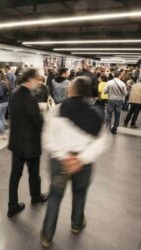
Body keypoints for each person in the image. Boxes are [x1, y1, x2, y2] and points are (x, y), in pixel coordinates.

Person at [40, 76, 109, 248]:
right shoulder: (97, 114)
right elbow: (102, 141)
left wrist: (65, 156)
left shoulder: (56, 110)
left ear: (71, 90)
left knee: (55, 197)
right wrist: (80, 159)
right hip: (83, 166)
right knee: (80, 194)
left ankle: (47, 236)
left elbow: (47, 139)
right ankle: (77, 224)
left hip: (59, 163)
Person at [7, 68, 48, 218]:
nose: (39, 83)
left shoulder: (15, 94)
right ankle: (36, 197)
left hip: (16, 142)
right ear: (30, 79)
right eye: (37, 80)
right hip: (30, 143)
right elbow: (37, 121)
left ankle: (12, 206)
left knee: (15, 176)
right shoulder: (29, 98)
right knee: (34, 174)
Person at [104, 69, 127, 134]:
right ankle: (114, 129)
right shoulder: (122, 83)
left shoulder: (109, 82)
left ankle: (108, 128)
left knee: (108, 114)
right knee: (117, 115)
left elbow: (105, 92)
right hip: (119, 101)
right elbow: (125, 94)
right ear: (119, 75)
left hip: (110, 100)